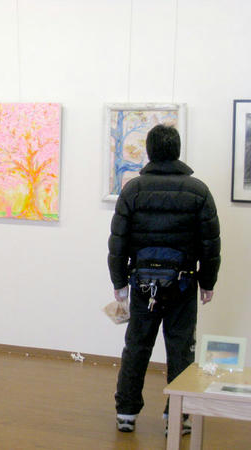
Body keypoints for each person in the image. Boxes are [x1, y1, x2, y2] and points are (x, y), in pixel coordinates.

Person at [108, 124, 220, 434]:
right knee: (181, 349)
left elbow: (118, 241)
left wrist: (119, 282)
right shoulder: (198, 191)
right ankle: (177, 416)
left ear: (149, 151)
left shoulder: (133, 190)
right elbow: (210, 244)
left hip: (143, 285)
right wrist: (208, 282)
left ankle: (126, 412)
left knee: (136, 347)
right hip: (183, 284)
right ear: (177, 150)